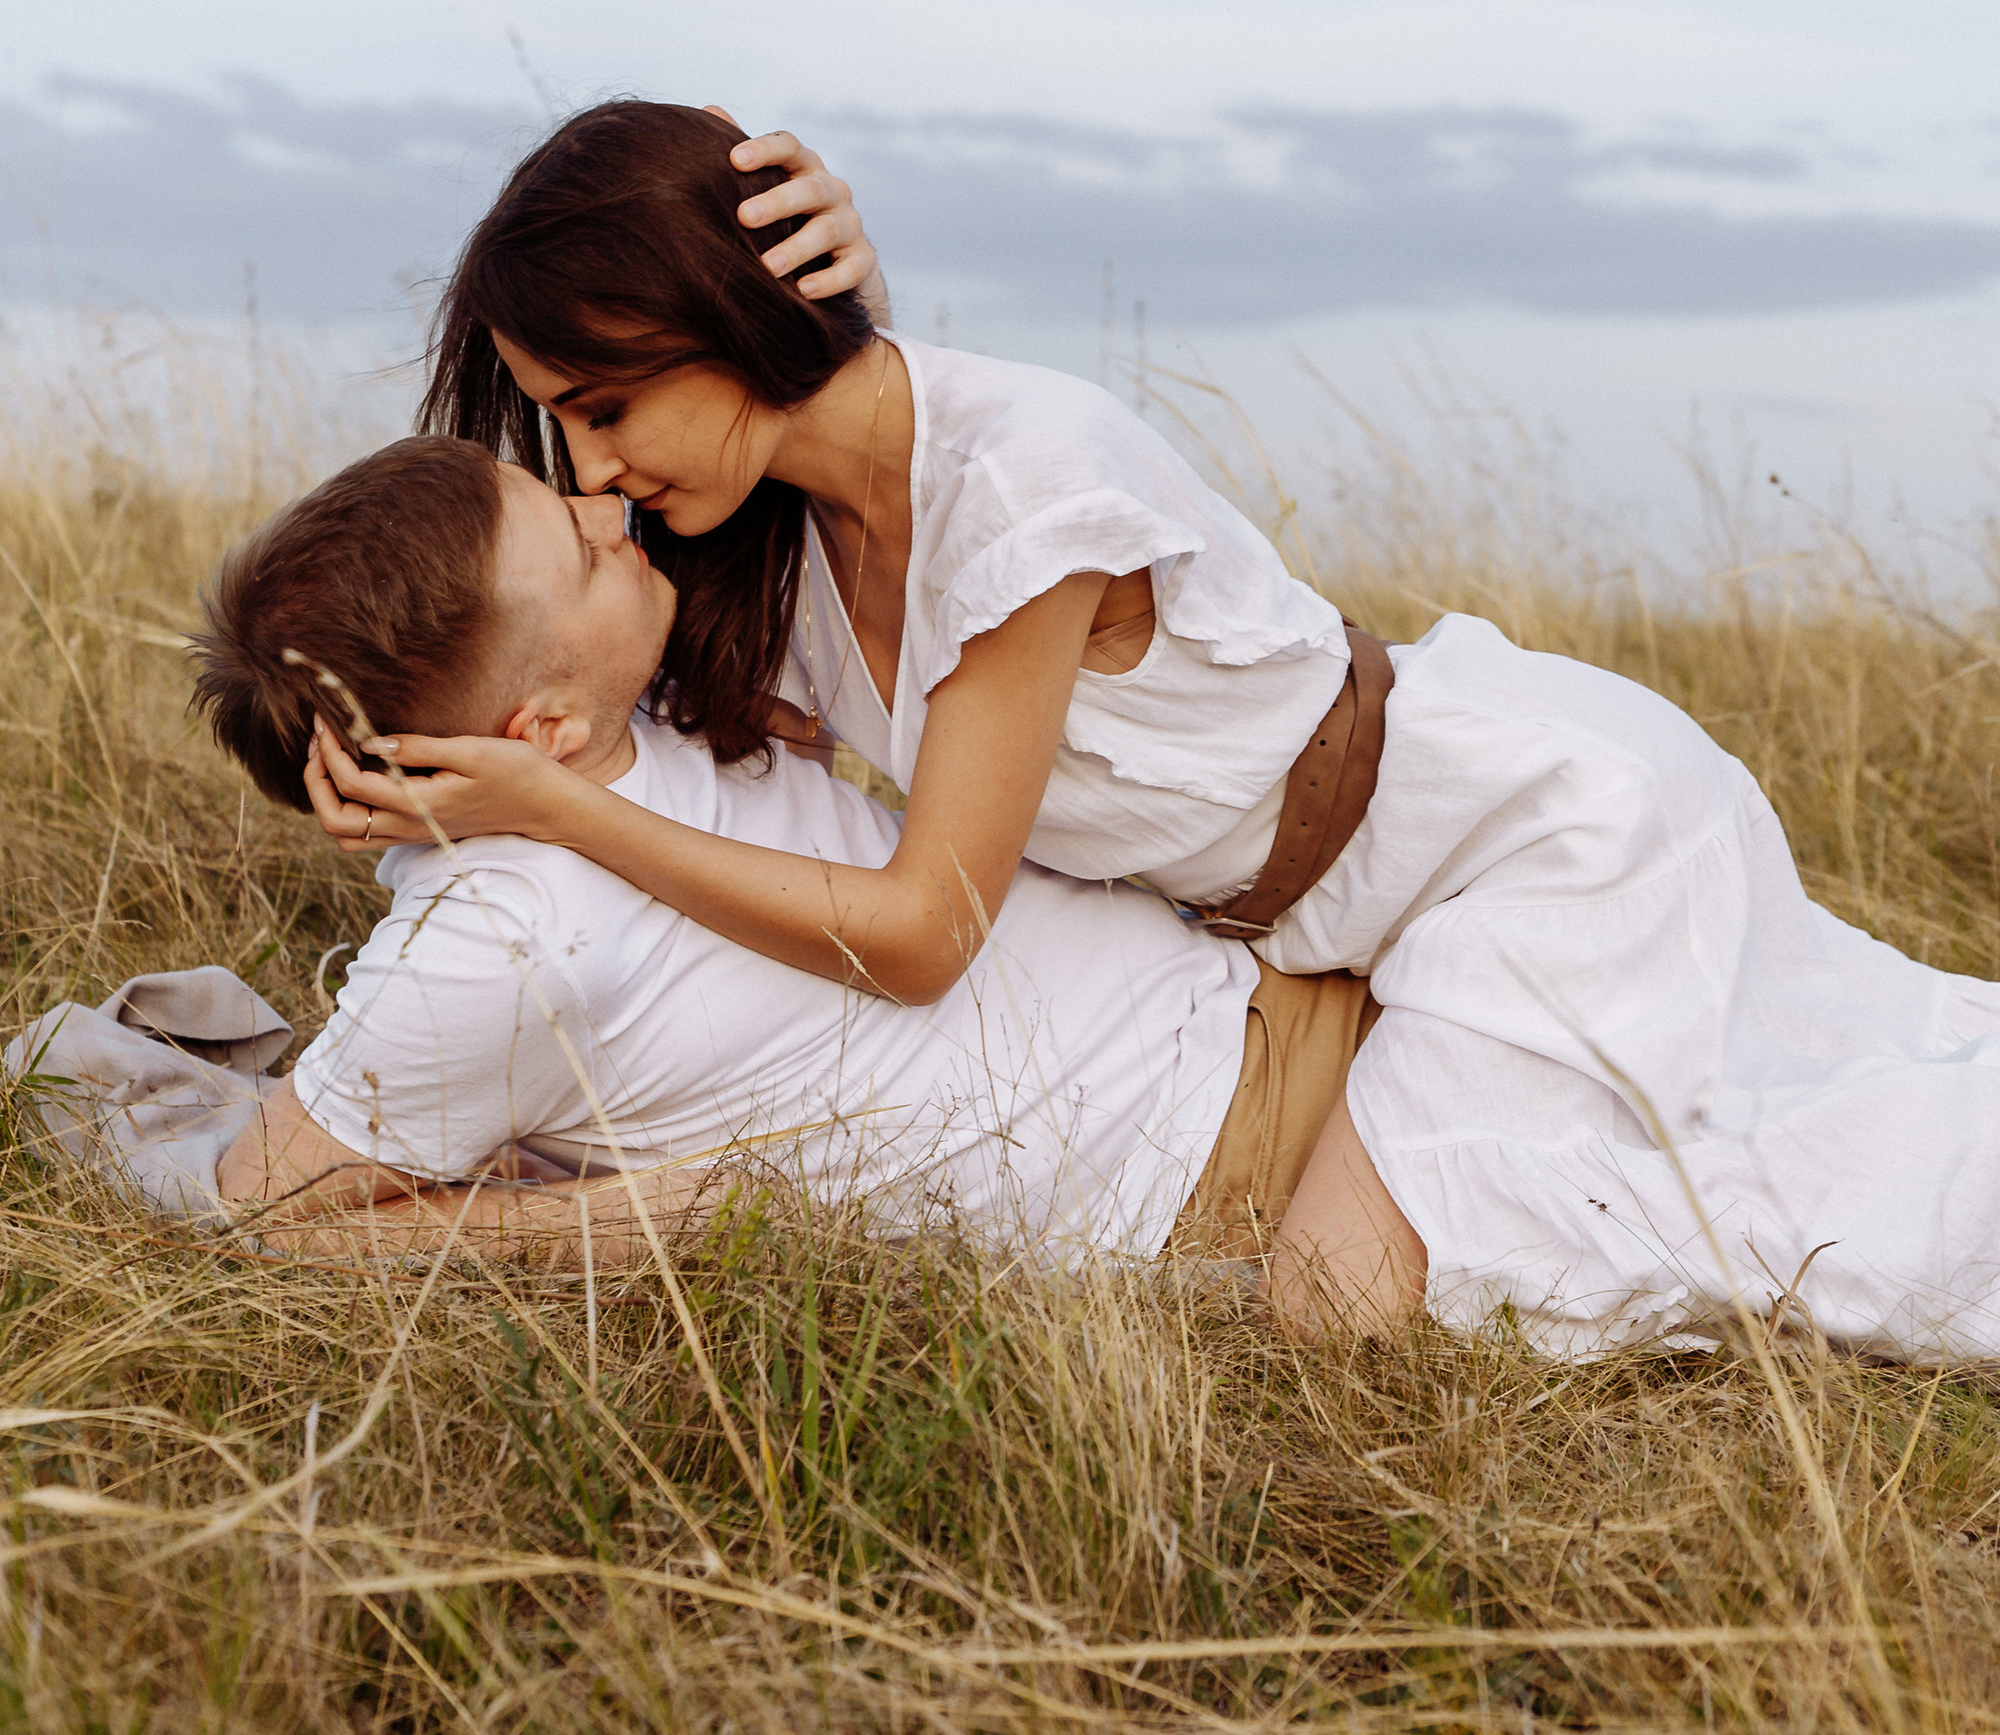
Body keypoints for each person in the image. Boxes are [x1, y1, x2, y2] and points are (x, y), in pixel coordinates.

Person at [296, 101, 2000, 1349]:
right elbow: (562, 676)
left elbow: (919, 938)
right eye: (555, 423)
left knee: (1364, 1309)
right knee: (1718, 1121)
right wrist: (383, 756)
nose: (589, 470)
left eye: (603, 408)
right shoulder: (758, 537)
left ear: (719, 326)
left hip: (1534, 837)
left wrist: (562, 815)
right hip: (1351, 928)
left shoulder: (1025, 496)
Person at [190, 435, 1396, 1322]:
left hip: (1276, 990)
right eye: (575, 547)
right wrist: (630, 1223)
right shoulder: (500, 935)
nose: (606, 508)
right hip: (1225, 1157)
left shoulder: (635, 712)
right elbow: (261, 1217)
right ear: (539, 727)